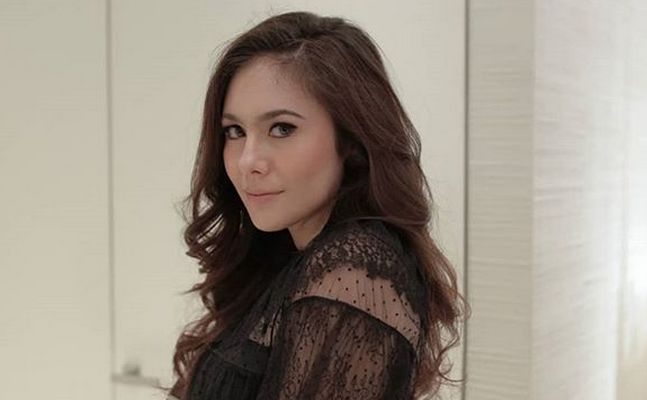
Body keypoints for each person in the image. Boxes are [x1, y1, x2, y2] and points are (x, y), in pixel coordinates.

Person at [160, 10, 470, 400]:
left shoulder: (353, 274)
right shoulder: (287, 255)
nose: (247, 161)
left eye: (282, 129)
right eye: (234, 131)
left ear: (351, 139)